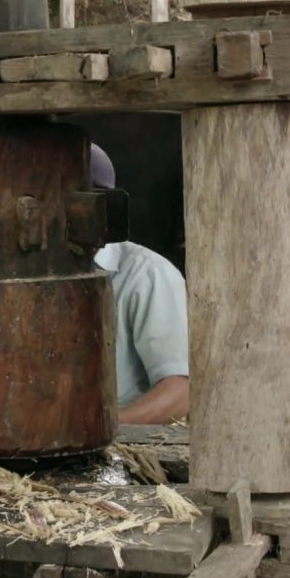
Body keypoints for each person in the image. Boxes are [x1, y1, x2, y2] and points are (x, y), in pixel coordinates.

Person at [91, 144, 191, 425]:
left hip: (125, 449)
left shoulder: (146, 275)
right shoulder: (20, 279)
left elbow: (181, 393)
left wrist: (105, 432)